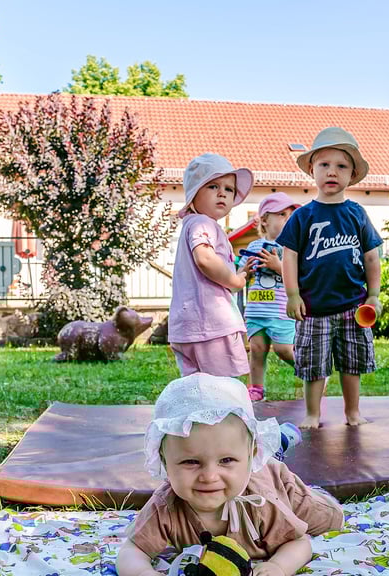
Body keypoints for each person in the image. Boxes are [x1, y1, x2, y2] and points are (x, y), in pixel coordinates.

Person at [117, 373, 344, 576]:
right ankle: (276, 445)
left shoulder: (263, 502)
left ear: (250, 457)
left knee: (330, 519)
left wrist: (279, 567)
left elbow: (299, 543)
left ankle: (277, 449)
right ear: (165, 462)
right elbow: (132, 550)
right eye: (190, 462)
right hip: (251, 465)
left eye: (226, 460)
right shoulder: (165, 506)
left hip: (278, 483)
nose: (209, 476)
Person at [276, 127, 383, 429]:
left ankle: (352, 412)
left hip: (353, 307)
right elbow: (290, 257)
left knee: (352, 364)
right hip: (313, 308)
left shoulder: (357, 214)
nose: (332, 172)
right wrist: (293, 294)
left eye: (341, 166)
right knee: (313, 366)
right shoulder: (302, 216)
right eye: (324, 165)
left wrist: (373, 294)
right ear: (312, 170)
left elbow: (371, 256)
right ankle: (313, 414)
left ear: (352, 175)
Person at [168, 154, 254, 386]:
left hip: (188, 326)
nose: (222, 193)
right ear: (194, 193)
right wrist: (234, 281)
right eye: (213, 186)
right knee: (223, 386)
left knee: (197, 388)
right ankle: (225, 421)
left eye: (229, 189)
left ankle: (198, 422)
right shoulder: (203, 223)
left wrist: (238, 270)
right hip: (211, 325)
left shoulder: (192, 225)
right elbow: (205, 259)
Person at [238, 193, 301, 401]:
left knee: (284, 349)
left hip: (281, 310)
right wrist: (246, 271)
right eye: (282, 214)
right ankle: (256, 388)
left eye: (291, 215)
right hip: (256, 310)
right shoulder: (254, 246)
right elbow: (240, 275)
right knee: (256, 349)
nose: (288, 219)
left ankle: (311, 371)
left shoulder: (291, 248)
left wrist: (278, 266)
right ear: (264, 219)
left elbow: (299, 278)